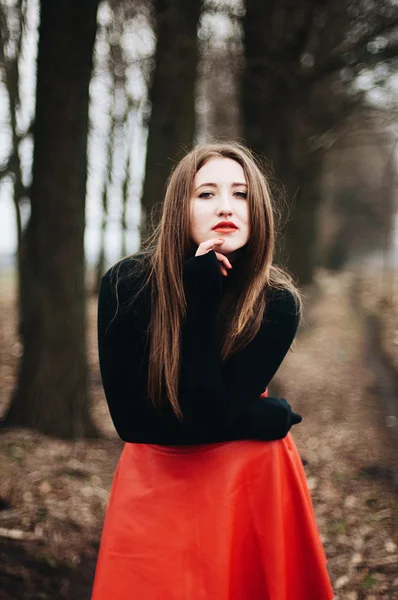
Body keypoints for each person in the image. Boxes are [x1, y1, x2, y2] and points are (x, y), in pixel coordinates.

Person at [90, 142, 334, 600]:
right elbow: (133, 423)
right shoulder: (127, 286)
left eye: (240, 194)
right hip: (154, 484)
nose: (225, 206)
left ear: (258, 210)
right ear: (179, 209)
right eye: (206, 194)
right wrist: (264, 416)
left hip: (246, 482)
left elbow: (206, 412)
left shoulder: (276, 303)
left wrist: (203, 298)